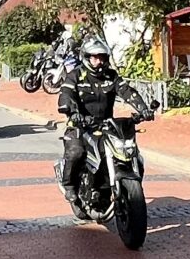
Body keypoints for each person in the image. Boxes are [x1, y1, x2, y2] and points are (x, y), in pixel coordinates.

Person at [56, 37, 144, 214]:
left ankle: (122, 190)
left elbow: (127, 91)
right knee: (76, 152)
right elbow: (66, 93)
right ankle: (70, 185)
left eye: (102, 57)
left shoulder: (111, 76)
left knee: (130, 153)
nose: (99, 61)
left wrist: (143, 108)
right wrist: (70, 109)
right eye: (95, 57)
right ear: (86, 58)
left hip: (106, 125)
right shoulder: (75, 75)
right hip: (80, 125)